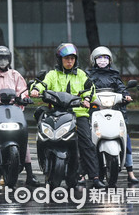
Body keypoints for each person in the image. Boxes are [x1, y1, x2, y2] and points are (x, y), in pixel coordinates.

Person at [30, 43, 106, 188]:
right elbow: (42, 84)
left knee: (87, 144)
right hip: (57, 113)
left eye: (72, 58)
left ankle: (95, 177)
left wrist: (87, 99)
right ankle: (45, 164)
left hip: (77, 114)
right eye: (66, 59)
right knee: (43, 132)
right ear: (60, 60)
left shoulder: (82, 75)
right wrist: (36, 89)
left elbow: (90, 89)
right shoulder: (52, 75)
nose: (69, 61)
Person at [0, 46, 40, 186]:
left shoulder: (15, 75)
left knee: (23, 136)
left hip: (12, 112)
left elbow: (23, 90)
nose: (2, 61)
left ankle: (30, 174)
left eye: (5, 58)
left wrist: (24, 97)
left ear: (9, 59)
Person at [86, 46, 139, 184]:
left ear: (110, 60)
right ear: (94, 60)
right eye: (100, 58)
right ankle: (83, 171)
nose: (103, 61)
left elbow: (121, 88)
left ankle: (130, 171)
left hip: (115, 110)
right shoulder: (89, 75)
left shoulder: (114, 75)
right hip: (96, 111)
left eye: (106, 58)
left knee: (125, 136)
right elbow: (86, 90)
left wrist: (126, 96)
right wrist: (86, 99)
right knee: (85, 137)